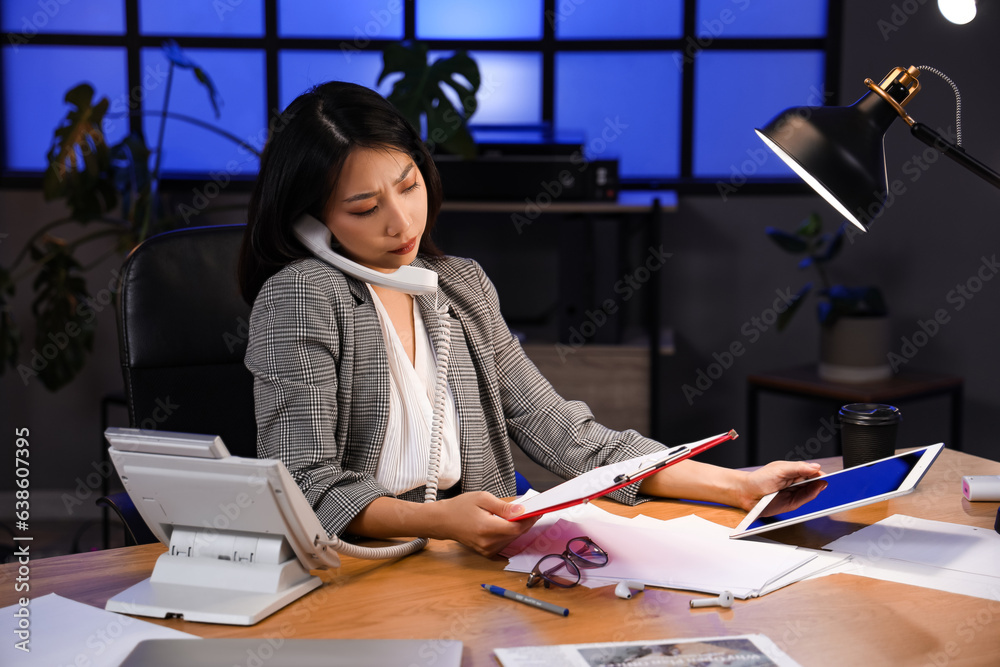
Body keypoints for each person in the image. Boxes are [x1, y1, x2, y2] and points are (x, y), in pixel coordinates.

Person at [238, 81, 823, 558]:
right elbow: (306, 483)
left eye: (408, 186)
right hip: (358, 570)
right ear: (310, 223)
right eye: (365, 208)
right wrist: (438, 520)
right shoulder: (302, 298)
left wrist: (738, 483)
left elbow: (568, 438)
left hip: (469, 565)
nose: (401, 222)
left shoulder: (459, 288)